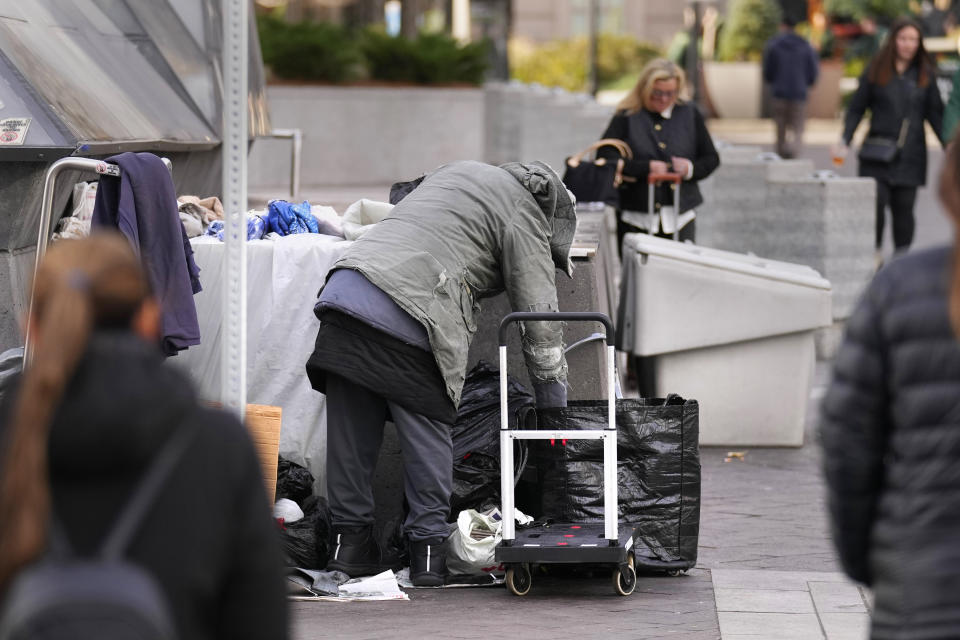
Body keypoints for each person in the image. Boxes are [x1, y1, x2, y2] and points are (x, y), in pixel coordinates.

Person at [0, 234, 288, 639]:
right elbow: (260, 623)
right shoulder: (216, 446)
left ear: (30, 324)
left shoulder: (12, 435)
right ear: (150, 318)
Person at [305, 160, 575, 586]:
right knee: (426, 432)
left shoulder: (456, 174)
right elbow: (540, 320)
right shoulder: (524, 211)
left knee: (350, 439)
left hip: (345, 293)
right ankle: (428, 556)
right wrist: (556, 415)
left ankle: (349, 548)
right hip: (415, 312)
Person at [820, 135, 960, 640]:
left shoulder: (901, 289)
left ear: (946, 189)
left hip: (922, 584)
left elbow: (847, 443)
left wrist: (869, 558)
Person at [834, 17, 944, 257]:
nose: (908, 44)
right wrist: (845, 139)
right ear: (893, 40)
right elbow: (856, 108)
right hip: (877, 153)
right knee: (874, 207)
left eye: (914, 39)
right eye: (904, 38)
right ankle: (874, 256)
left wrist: (951, 147)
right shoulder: (876, 69)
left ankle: (900, 261)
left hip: (910, 155)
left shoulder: (925, 74)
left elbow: (936, 115)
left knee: (904, 213)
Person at [598, 58, 720, 249]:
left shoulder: (689, 113)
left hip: (680, 216)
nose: (664, 99)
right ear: (645, 88)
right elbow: (605, 156)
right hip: (636, 215)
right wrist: (646, 168)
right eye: (657, 93)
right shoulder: (627, 115)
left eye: (670, 93)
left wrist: (689, 168)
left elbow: (711, 158)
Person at [762, 15, 819, 159]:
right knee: (798, 126)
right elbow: (813, 70)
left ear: (782, 26)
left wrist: (772, 82)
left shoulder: (774, 45)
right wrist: (808, 83)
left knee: (780, 126)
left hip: (779, 91)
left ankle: (781, 152)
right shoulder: (805, 46)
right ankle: (794, 151)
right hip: (799, 92)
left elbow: (768, 70)